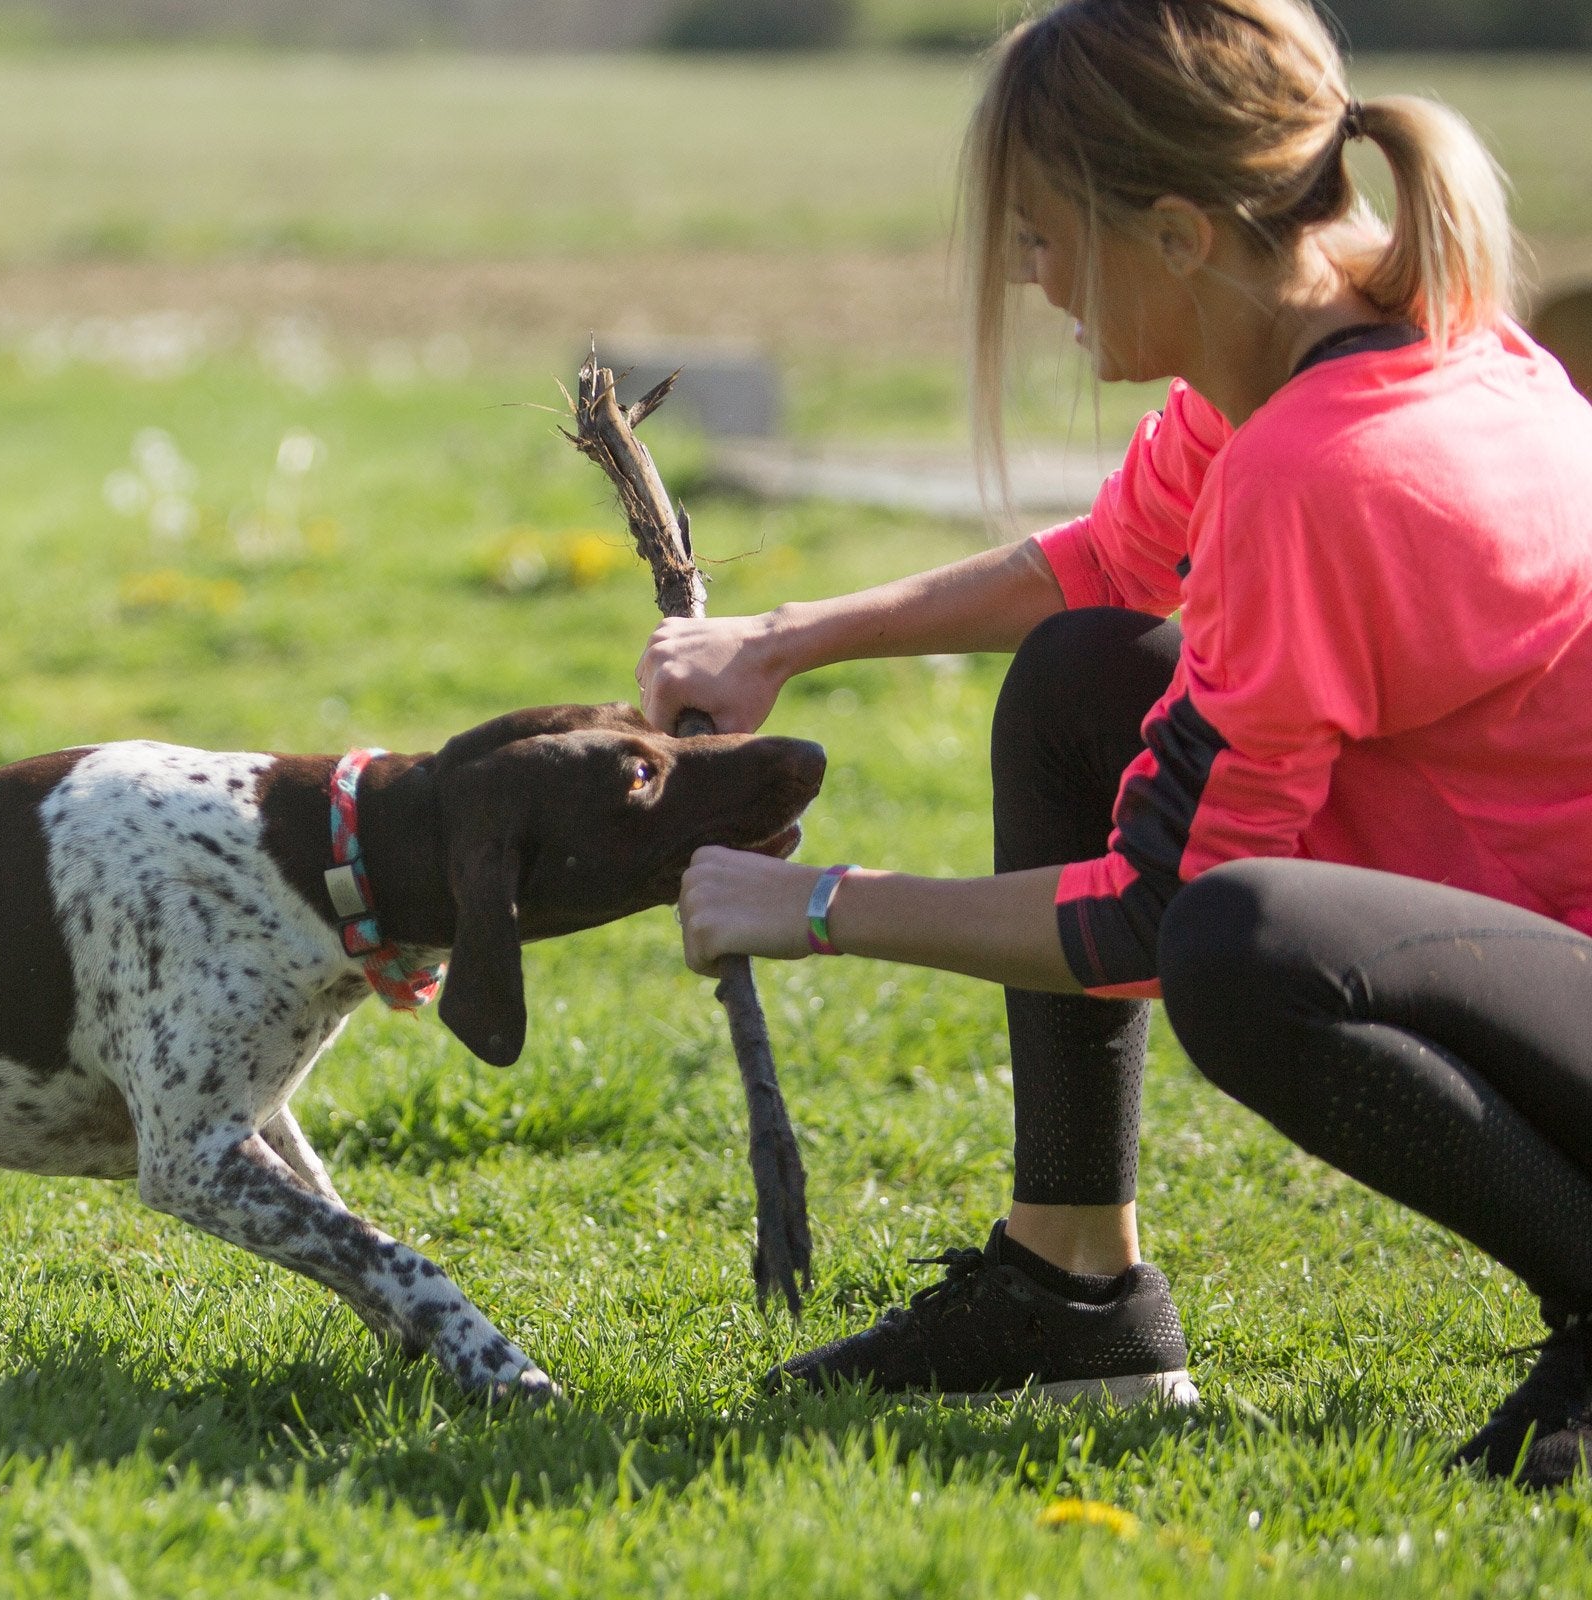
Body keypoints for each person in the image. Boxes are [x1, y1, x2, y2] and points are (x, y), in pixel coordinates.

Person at [636, 0, 1592, 1487]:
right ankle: (1075, 1288)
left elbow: (1156, 918)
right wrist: (781, 639)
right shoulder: (1356, 342)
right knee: (1084, 675)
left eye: (1042, 235)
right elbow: (1101, 567)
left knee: (1241, 941)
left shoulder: (1318, 468)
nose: (1033, 280)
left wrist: (817, 909)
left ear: (1174, 234)